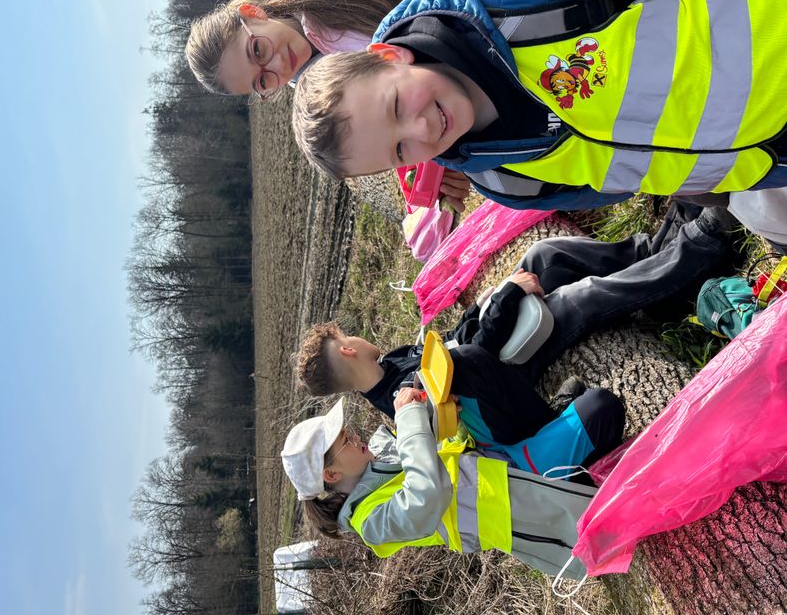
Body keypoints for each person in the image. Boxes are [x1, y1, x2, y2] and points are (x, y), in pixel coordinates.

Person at [291, 0, 787, 211]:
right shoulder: (506, 181)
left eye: (397, 107)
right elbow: (620, 184)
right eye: (400, 151)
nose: (421, 131)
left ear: (388, 56)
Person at [296, 203, 733, 474]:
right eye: (348, 336)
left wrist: (490, 299)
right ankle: (704, 244)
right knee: (580, 299)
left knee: (545, 256)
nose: (356, 336)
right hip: (510, 375)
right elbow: (471, 360)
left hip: (498, 354)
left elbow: (456, 338)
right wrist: (507, 296)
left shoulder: (393, 363)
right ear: (348, 349)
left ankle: (659, 250)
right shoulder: (403, 396)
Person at [186, 0, 503, 211]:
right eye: (262, 81)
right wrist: (447, 157)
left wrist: (499, 30)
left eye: (257, 50)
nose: (277, 65)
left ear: (253, 14)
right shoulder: (324, 105)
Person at [281, 392, 598, 578]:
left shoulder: (378, 459)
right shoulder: (371, 523)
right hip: (519, 513)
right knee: (600, 521)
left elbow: (425, 448)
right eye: (345, 441)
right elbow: (427, 492)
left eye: (347, 431)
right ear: (331, 475)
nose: (355, 437)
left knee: (595, 412)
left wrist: (430, 407)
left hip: (503, 469)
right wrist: (409, 421)